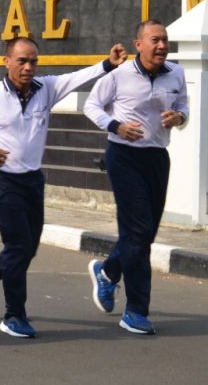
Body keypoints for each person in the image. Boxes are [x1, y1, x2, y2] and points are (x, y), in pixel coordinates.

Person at [0, 38, 126, 338]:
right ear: (6, 61)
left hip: (32, 180)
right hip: (3, 179)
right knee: (18, 246)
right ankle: (14, 315)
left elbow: (76, 78)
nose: (28, 67)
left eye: (33, 61)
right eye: (21, 61)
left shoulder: (45, 88)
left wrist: (107, 64)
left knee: (28, 247)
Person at [83, 20, 189, 335]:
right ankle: (136, 311)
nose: (162, 46)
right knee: (139, 229)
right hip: (123, 156)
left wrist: (179, 117)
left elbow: (183, 105)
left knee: (146, 233)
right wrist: (115, 126)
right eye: (155, 40)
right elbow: (91, 105)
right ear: (138, 44)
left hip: (157, 157)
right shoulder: (120, 75)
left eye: (164, 40)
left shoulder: (176, 73)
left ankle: (108, 271)